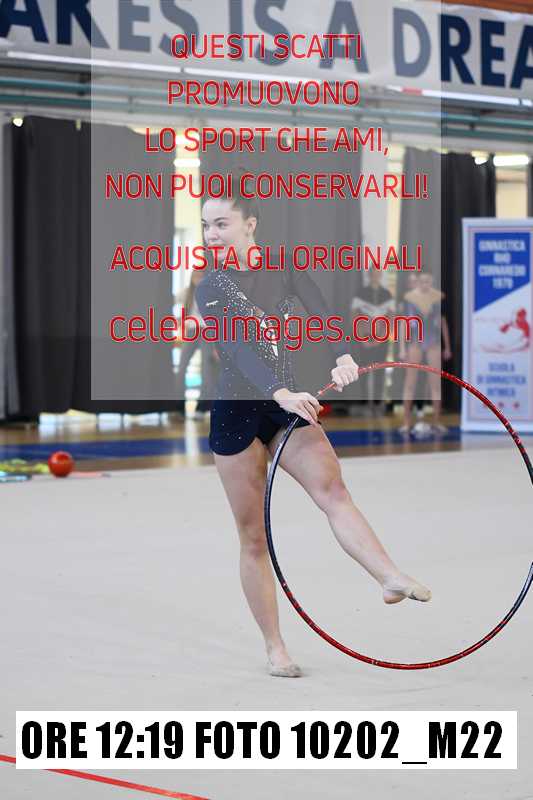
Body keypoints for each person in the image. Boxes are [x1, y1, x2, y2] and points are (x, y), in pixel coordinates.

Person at [195, 185, 432, 678]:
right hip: (239, 411)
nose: (211, 234)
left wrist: (343, 355)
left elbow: (322, 313)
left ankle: (388, 576)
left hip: (289, 403)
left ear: (249, 224)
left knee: (334, 491)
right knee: (253, 538)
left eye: (221, 223)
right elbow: (235, 349)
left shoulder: (283, 266)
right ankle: (275, 647)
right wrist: (279, 392)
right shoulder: (211, 284)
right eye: (205, 225)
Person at [400, 271, 452, 435]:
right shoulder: (409, 298)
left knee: (435, 384)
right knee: (410, 383)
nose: (425, 284)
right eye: (422, 281)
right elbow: (403, 323)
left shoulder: (438, 298)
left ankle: (436, 421)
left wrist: (447, 347)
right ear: (417, 282)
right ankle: (406, 422)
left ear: (432, 282)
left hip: (433, 343)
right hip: (415, 342)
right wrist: (402, 348)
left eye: (428, 281)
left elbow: (443, 323)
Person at [349, 267, 395, 415]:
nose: (375, 276)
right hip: (364, 338)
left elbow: (391, 317)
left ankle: (377, 403)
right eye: (373, 273)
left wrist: (382, 338)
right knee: (363, 371)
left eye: (378, 274)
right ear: (369, 275)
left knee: (379, 371)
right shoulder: (360, 293)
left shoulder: (387, 294)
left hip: (381, 340)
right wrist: (362, 338)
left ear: (380, 275)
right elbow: (354, 316)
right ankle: (364, 403)